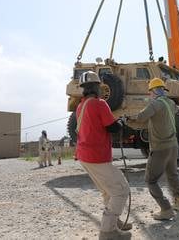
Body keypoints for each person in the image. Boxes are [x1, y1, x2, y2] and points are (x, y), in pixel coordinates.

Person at [75, 71, 132, 240]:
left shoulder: (81, 106)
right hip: (96, 156)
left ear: (84, 89)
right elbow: (112, 128)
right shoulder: (99, 104)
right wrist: (121, 122)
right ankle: (108, 231)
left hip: (85, 156)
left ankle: (114, 222)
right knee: (121, 190)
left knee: (108, 191)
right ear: (97, 87)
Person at [133, 77, 179, 221]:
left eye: (150, 92)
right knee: (172, 174)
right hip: (173, 146)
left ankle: (166, 209)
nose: (150, 94)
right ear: (163, 90)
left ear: (153, 91)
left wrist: (127, 118)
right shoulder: (171, 103)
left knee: (151, 180)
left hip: (160, 148)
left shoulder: (155, 104)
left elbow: (141, 117)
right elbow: (175, 109)